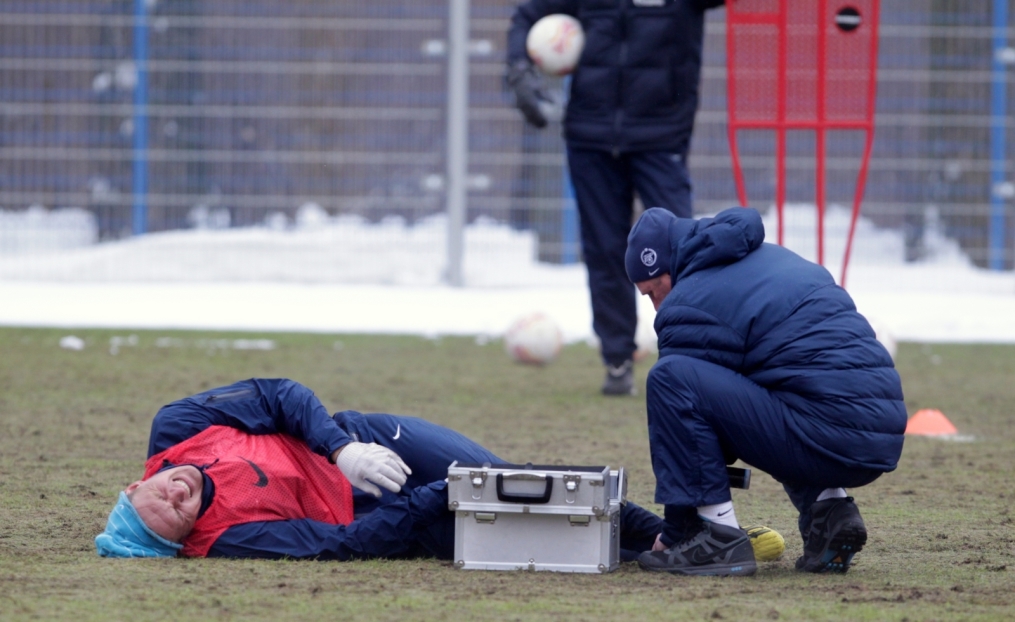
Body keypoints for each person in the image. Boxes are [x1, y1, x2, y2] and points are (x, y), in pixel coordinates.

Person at [95, 377, 673, 560]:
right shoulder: (225, 538)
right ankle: (658, 553)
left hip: (366, 440)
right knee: (502, 526)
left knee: (499, 475)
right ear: (186, 537)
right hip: (384, 511)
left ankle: (671, 531)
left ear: (136, 482)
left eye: (159, 494)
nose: (177, 494)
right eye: (176, 516)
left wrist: (341, 449)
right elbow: (342, 543)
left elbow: (278, 394)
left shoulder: (175, 428)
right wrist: (437, 495)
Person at [623, 206, 907, 576]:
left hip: (828, 430)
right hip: (880, 434)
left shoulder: (686, 304)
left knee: (669, 379)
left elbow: (686, 416)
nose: (657, 306)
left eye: (653, 291)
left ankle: (716, 533)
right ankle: (831, 512)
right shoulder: (770, 256)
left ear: (665, 266)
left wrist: (676, 532)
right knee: (775, 388)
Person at [505, 0, 725, 395]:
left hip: (661, 135)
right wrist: (519, 70)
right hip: (590, 135)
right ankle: (617, 359)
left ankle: (694, 358)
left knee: (683, 251)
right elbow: (526, 15)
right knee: (605, 249)